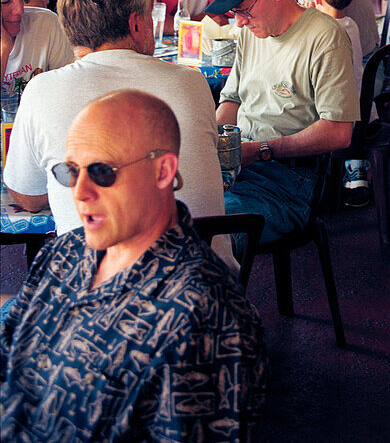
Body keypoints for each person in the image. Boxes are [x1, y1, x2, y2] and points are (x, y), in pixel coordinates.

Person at [1, 90, 267, 440]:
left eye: (101, 171)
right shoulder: (64, 252)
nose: (78, 192)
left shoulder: (207, 319)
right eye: (70, 171)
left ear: (162, 171)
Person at [4, 0, 233, 266]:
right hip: (212, 296)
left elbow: (27, 198)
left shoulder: (42, 90)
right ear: (136, 24)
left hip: (100, 303)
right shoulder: (192, 82)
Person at [211, 0, 359, 244]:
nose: (239, 22)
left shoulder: (325, 37)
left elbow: (340, 132)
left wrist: (261, 150)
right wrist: (216, 143)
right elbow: (232, 100)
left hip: (291, 180)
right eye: (234, 12)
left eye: (242, 9)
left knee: (210, 233)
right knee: (164, 212)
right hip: (244, 165)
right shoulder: (251, 33)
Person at [314, 0, 370, 207]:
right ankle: (357, 177)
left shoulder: (324, 31)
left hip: (341, 114)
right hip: (364, 107)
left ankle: (315, 180)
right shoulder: (351, 25)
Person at [1, 0, 74, 117]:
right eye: (5, 1)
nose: (20, 10)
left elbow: (68, 94)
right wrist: (4, 48)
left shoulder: (45, 24)